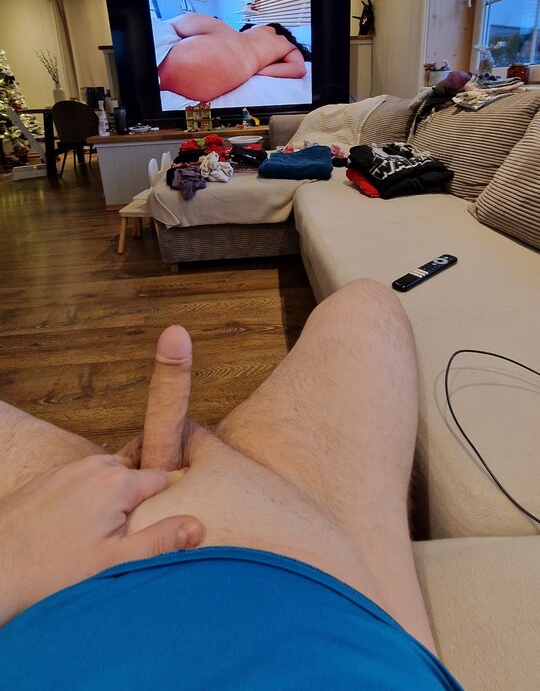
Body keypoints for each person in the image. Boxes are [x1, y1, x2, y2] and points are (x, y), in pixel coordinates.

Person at [0, 280, 462, 689]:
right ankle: (194, 456)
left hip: (41, 586)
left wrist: (12, 559)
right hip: (349, 604)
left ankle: (166, 463)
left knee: (367, 308)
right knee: (367, 308)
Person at [153, 12, 308, 101]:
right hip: (235, 62)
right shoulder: (287, 45)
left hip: (226, 34)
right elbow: (299, 69)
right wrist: (257, 69)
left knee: (170, 24)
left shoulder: (259, 26)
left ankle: (163, 24)